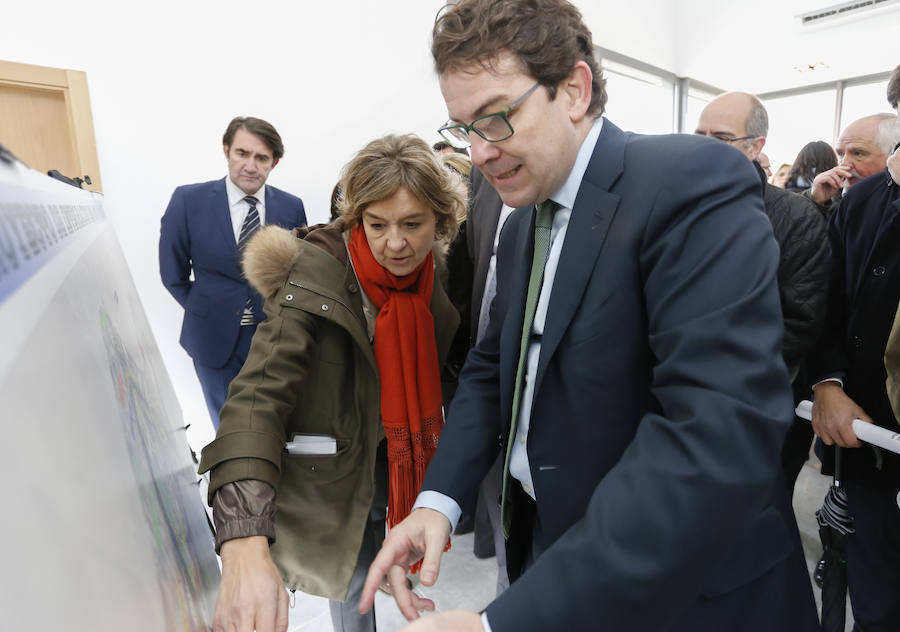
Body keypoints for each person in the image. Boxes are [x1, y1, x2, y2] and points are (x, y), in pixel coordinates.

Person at [359, 1, 819, 630]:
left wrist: (499, 623)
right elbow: (495, 365)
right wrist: (438, 501)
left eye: (494, 118)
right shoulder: (525, 224)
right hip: (555, 551)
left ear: (573, 90)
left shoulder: (690, 182)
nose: (479, 152)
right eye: (462, 126)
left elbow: (713, 432)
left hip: (681, 589)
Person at [197, 134, 462, 632]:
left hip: (397, 456)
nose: (395, 243)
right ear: (355, 218)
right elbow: (257, 398)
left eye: (413, 224)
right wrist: (242, 537)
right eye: (377, 225)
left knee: (379, 560)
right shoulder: (314, 276)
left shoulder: (437, 274)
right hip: (334, 467)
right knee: (352, 578)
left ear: (442, 222)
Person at [696, 92, 830, 498]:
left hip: (749, 406)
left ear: (756, 147)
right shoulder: (675, 204)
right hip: (673, 400)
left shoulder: (794, 216)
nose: (704, 146)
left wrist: (720, 379)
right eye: (698, 134)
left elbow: (799, 320)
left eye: (720, 137)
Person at [808, 114, 900, 630]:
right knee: (874, 601)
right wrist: (828, 382)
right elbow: (828, 303)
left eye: (857, 152)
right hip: (868, 449)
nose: (845, 165)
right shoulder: (860, 203)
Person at [159, 116, 306, 429]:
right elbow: (173, 275)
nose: (250, 166)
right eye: (242, 153)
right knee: (229, 430)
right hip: (213, 341)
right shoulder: (188, 201)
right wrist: (210, 310)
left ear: (274, 163)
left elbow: (298, 274)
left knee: (273, 427)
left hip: (273, 340)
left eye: (261, 158)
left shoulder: (292, 208)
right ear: (226, 150)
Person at [806, 113, 898, 214]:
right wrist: (816, 202)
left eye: (858, 153)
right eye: (841, 155)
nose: (843, 164)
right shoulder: (829, 198)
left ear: (895, 156)